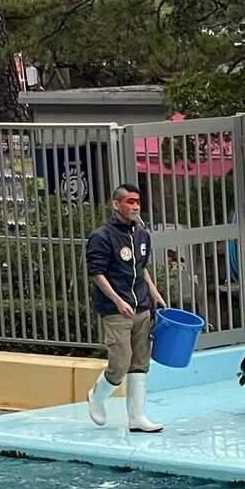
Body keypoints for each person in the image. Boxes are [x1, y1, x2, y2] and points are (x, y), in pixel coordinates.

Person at [84, 183, 166, 432]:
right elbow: (96, 272)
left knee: (140, 362)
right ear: (116, 204)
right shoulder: (102, 237)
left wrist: (154, 293)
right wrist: (118, 301)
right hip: (116, 310)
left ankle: (137, 417)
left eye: (137, 202)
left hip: (141, 307)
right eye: (129, 202)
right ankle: (97, 396)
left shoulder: (141, 235)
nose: (135, 206)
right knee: (120, 362)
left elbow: (141, 267)